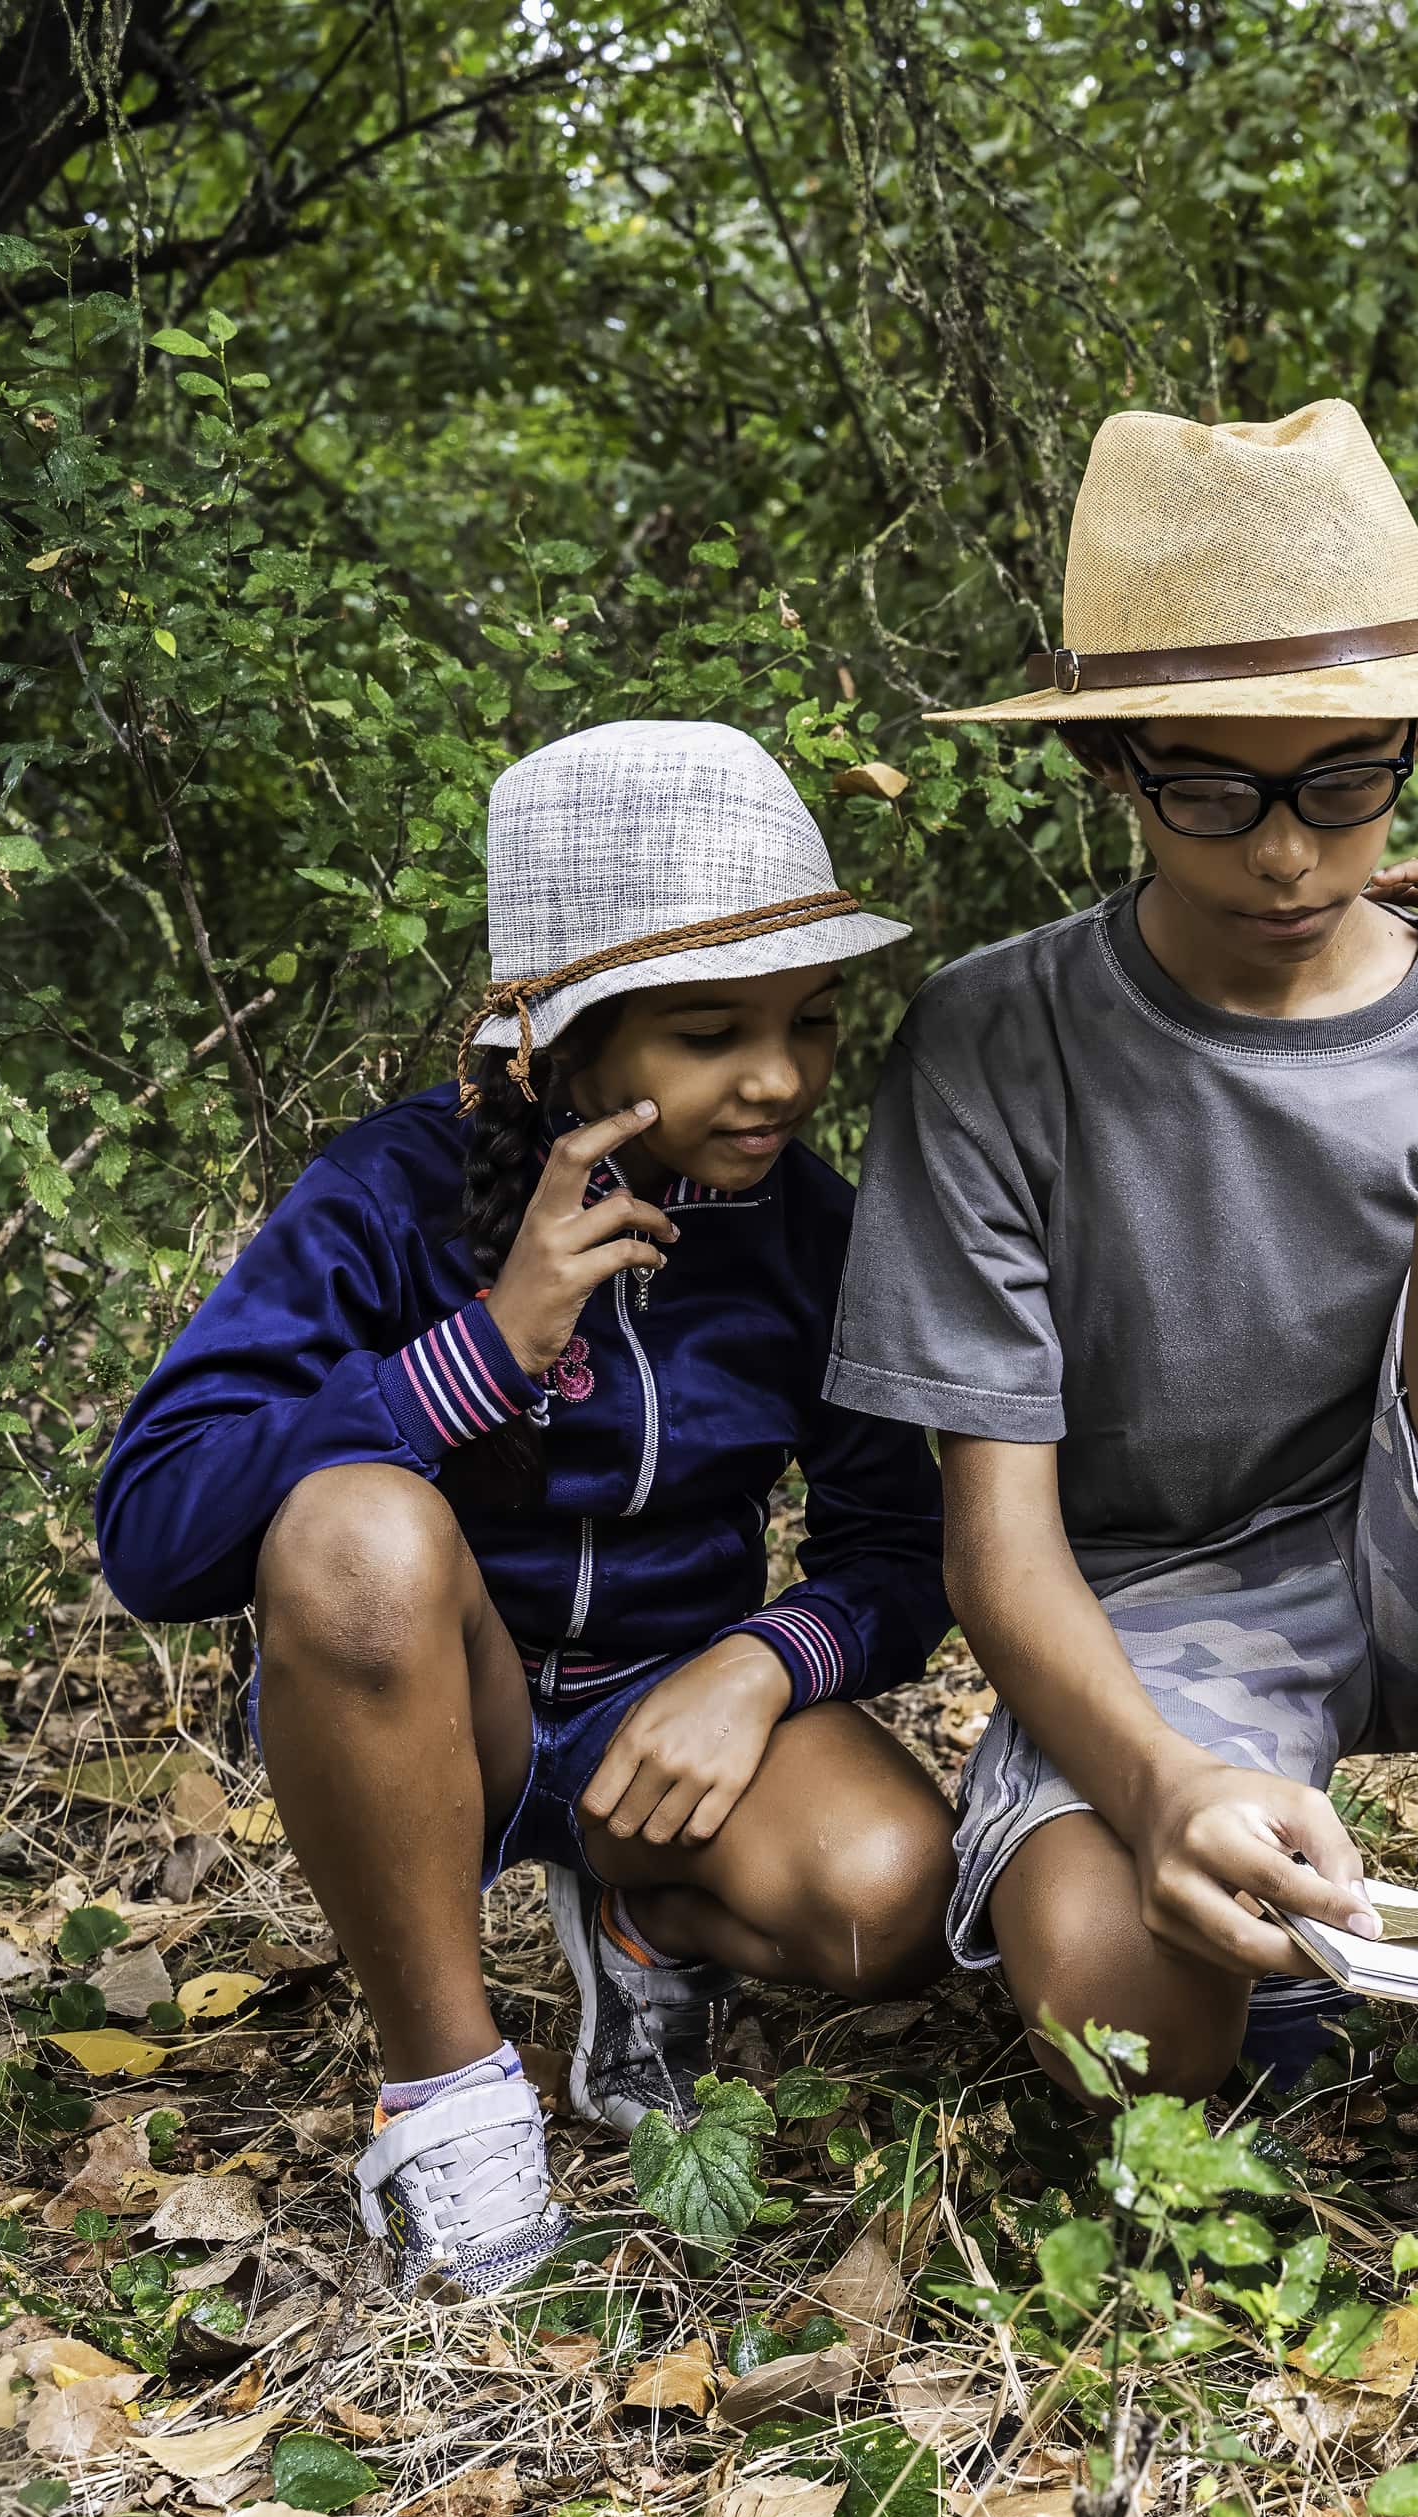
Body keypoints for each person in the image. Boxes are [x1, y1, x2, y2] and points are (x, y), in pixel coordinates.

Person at [829, 399, 1418, 2315]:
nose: (1286, 852)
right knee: (1124, 2018)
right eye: (1213, 792)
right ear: (1110, 762)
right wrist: (1156, 1787)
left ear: (1411, 751)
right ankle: (1273, 1959)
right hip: (1154, 1611)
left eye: (1343, 783)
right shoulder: (990, 1040)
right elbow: (995, 1548)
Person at [96, 721, 958, 2295]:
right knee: (359, 1529)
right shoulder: (383, 1201)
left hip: (663, 1731)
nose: (780, 1078)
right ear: (550, 1051)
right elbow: (156, 1531)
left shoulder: (812, 1235)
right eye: (713, 1031)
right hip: (435, 1716)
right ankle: (449, 2099)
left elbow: (900, 1548)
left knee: (891, 1903)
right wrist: (487, 1350)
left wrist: (757, 1665)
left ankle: (641, 1931)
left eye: (814, 1020)